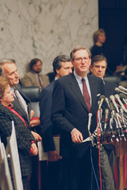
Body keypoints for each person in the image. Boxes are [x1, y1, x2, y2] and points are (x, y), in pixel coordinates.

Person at [52, 45, 105, 190]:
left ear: (90, 62)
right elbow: (56, 115)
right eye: (79, 59)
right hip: (72, 147)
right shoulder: (62, 83)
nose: (82, 62)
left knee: (90, 185)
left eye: (85, 58)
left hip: (93, 146)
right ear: (73, 62)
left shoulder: (97, 82)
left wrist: (101, 125)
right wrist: (71, 130)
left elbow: (102, 110)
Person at [0, 76, 39, 190]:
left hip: (20, 161)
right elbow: (11, 136)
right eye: (8, 92)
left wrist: (32, 141)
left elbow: (25, 127)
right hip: (9, 165)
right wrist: (30, 148)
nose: (12, 93)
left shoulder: (11, 107)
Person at [40, 55, 73, 190]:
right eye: (67, 68)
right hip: (57, 142)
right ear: (57, 70)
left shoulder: (73, 87)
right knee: (56, 180)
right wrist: (51, 148)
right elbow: (46, 122)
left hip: (71, 141)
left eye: (71, 68)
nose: (70, 71)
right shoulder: (48, 91)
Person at [90, 55, 116, 190]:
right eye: (97, 67)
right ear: (91, 68)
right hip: (93, 137)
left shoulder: (112, 86)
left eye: (103, 67)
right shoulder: (86, 86)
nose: (100, 70)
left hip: (111, 138)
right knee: (104, 175)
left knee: (109, 172)